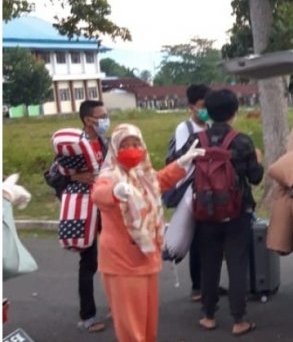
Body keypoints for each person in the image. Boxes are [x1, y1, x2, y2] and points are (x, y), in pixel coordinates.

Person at [92, 123, 204, 342]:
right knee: (131, 325)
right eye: (125, 145)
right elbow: (99, 194)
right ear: (115, 148)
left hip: (147, 258)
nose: (132, 149)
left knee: (148, 321)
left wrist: (181, 164)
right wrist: (115, 192)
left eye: (136, 144)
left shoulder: (143, 174)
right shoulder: (110, 175)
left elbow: (159, 181)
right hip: (122, 262)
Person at [187, 88, 263, 336]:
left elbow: (180, 166)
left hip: (205, 213)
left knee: (209, 263)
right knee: (236, 263)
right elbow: (255, 177)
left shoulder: (197, 140)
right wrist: (257, 160)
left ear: (207, 110)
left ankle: (208, 315)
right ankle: (238, 319)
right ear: (234, 112)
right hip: (236, 212)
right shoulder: (242, 141)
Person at [45, 99, 110, 333]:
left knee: (113, 257)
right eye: (101, 116)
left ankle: (116, 302)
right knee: (89, 261)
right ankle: (88, 315)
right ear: (87, 120)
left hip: (107, 207)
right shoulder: (71, 147)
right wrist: (74, 178)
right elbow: (52, 176)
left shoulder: (104, 142)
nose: (105, 120)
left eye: (106, 115)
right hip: (84, 210)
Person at [169, 83, 211, 302]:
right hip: (190, 189)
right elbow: (181, 159)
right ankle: (197, 286)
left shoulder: (209, 125)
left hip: (209, 186)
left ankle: (208, 283)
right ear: (192, 107)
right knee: (196, 238)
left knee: (207, 237)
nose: (206, 111)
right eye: (203, 106)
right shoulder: (184, 128)